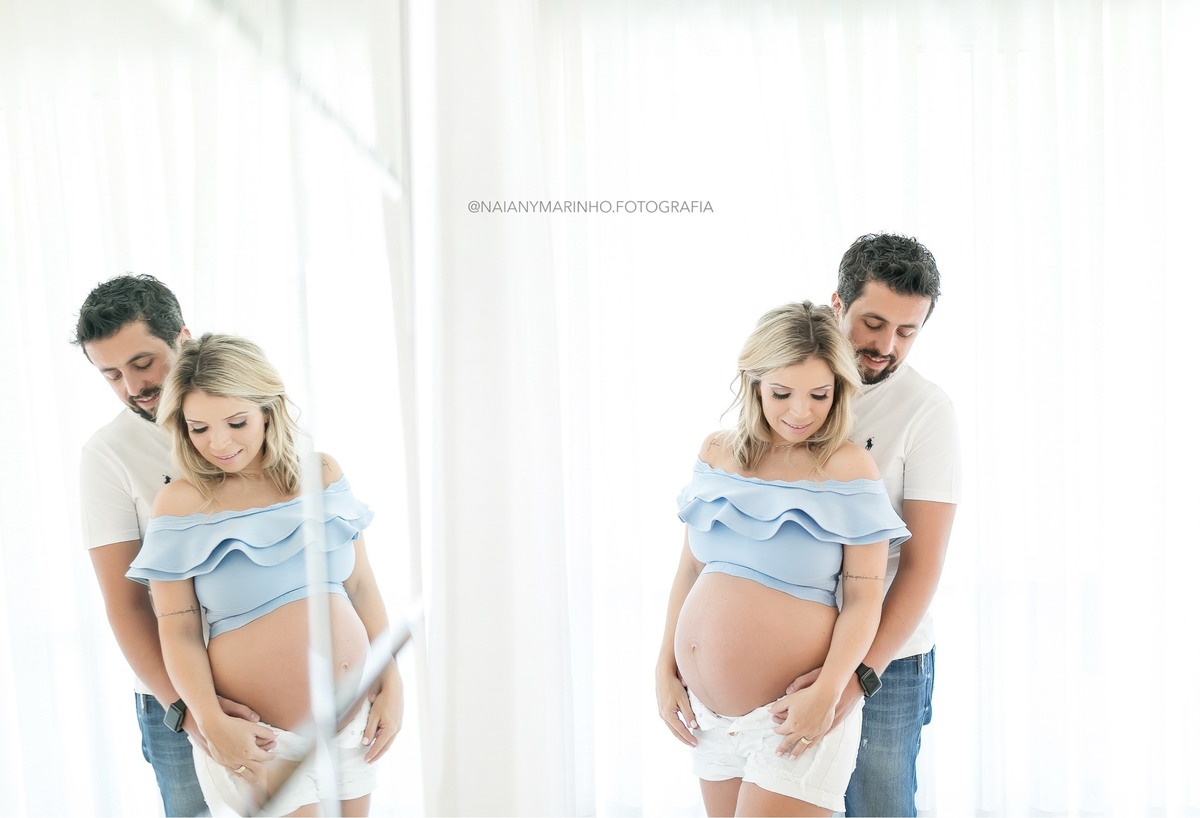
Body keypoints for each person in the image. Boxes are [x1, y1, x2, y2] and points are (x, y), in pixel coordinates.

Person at [123, 332, 403, 817]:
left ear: (268, 410)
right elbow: (178, 629)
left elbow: (360, 586)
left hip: (352, 727)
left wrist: (392, 679)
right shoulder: (182, 503)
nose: (219, 443)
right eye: (199, 428)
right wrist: (208, 718)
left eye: (236, 422)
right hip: (262, 740)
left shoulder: (322, 473)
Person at [656, 301, 911, 817]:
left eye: (819, 395)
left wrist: (831, 690)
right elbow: (690, 569)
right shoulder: (717, 453)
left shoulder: (848, 468)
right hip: (710, 719)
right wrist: (664, 669)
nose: (800, 413)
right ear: (754, 384)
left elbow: (864, 598)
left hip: (792, 714)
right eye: (781, 394)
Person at [782, 233, 960, 817]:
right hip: (792, 650)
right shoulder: (793, 385)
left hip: (887, 663)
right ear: (838, 303)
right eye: (874, 323)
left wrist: (856, 679)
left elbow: (922, 566)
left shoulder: (927, 410)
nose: (887, 346)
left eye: (907, 331)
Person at [74, 274, 264, 816]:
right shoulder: (107, 454)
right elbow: (127, 605)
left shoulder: (247, 417)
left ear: (182, 337)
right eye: (111, 374)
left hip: (277, 678)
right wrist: (191, 714)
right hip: (176, 701)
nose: (132, 386)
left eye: (143, 363)